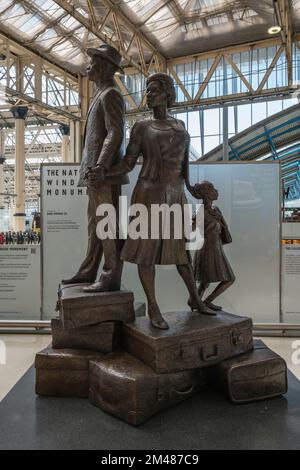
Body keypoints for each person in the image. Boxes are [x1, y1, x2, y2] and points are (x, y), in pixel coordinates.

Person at [91, 73, 215, 329]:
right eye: (147, 91)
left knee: (181, 254)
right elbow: (128, 162)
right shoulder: (141, 127)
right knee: (146, 254)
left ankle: (195, 298)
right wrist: (104, 170)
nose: (148, 95)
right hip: (147, 194)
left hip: (176, 195)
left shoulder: (181, 127)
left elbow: (184, 166)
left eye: (154, 90)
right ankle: (153, 305)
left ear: (168, 95)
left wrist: (194, 191)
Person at [62, 45, 129, 292]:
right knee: (96, 225)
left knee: (106, 225)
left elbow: (116, 131)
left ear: (106, 66)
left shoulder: (111, 94)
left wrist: (101, 165)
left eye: (93, 61)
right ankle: (89, 270)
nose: (88, 66)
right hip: (95, 175)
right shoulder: (100, 95)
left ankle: (111, 275)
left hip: (104, 175)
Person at [189, 181, 235, 311]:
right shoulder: (200, 212)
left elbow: (223, 231)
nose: (217, 191)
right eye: (213, 188)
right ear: (207, 194)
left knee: (206, 281)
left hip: (216, 247)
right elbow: (189, 231)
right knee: (227, 278)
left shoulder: (216, 210)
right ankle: (203, 302)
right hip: (207, 249)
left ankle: (196, 301)